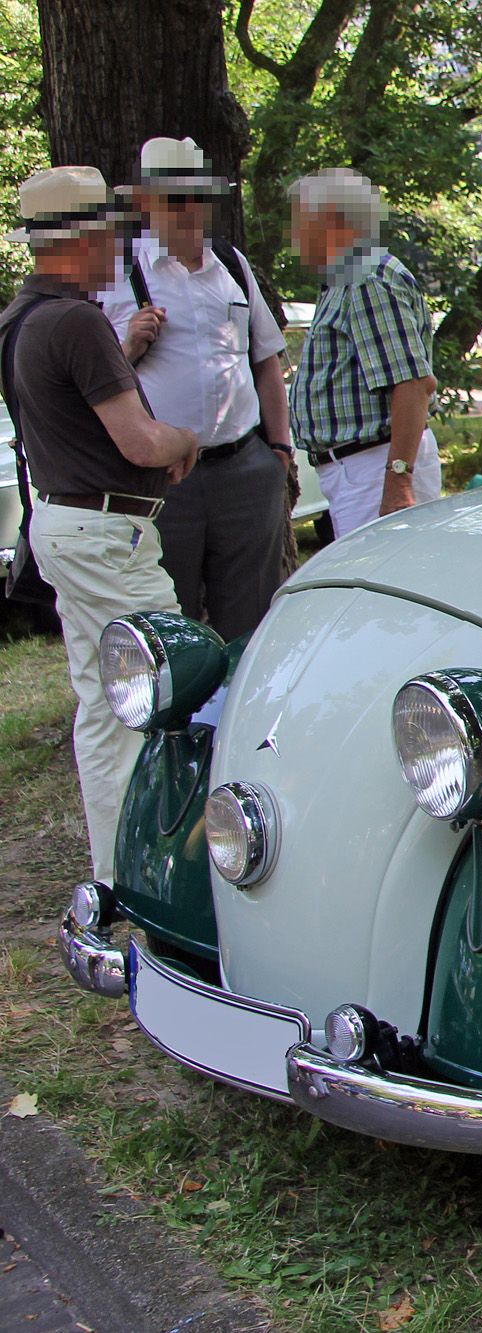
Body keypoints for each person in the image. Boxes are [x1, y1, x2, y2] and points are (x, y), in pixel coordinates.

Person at [0, 167, 198, 881]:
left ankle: (119, 869)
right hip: (106, 535)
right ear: (79, 238)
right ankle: (177, 863)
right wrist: (184, 439)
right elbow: (140, 442)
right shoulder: (76, 321)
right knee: (175, 677)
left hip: (64, 525)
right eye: (110, 232)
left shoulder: (19, 319)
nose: (118, 246)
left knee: (103, 703)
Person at [100, 138, 291, 642]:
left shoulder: (231, 264)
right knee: (169, 623)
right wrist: (128, 348)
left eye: (197, 197)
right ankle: (180, 722)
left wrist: (279, 450)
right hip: (161, 480)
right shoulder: (116, 274)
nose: (188, 210)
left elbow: (266, 360)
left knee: (252, 624)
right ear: (144, 203)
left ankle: (239, 719)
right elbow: (92, 383)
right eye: (173, 199)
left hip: (245, 469)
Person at [286, 168, 438, 538]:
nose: (293, 237)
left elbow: (413, 385)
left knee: (388, 587)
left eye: (300, 223)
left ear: (334, 222)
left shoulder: (365, 278)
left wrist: (398, 482)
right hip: (364, 467)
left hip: (375, 466)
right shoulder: (346, 279)